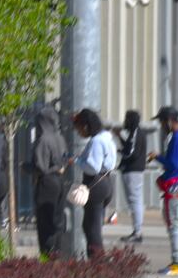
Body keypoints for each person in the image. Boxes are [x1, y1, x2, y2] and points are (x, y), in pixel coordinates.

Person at [152, 106, 178, 275]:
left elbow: (173, 164)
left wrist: (158, 157)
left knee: (174, 225)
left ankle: (177, 263)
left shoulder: (176, 138)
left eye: (162, 122)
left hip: (173, 185)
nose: (162, 126)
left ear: (169, 121)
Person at [72, 108, 118, 258]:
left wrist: (76, 161)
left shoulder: (96, 141)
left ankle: (97, 262)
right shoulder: (107, 139)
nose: (78, 133)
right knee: (92, 226)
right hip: (106, 182)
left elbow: (93, 167)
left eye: (78, 128)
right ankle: (98, 260)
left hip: (96, 184)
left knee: (92, 228)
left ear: (86, 126)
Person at [27, 106, 69, 258]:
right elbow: (64, 160)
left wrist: (26, 167)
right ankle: (57, 254)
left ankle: (47, 256)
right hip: (60, 182)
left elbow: (40, 166)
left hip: (46, 183)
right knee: (57, 220)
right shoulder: (60, 138)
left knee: (45, 223)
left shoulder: (43, 140)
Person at [117, 109, 149, 244]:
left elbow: (131, 152)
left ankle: (137, 231)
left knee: (134, 200)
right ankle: (137, 230)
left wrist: (120, 154)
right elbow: (130, 147)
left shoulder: (135, 132)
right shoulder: (136, 133)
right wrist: (119, 137)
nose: (125, 121)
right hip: (135, 170)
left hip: (132, 170)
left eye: (126, 119)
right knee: (136, 200)